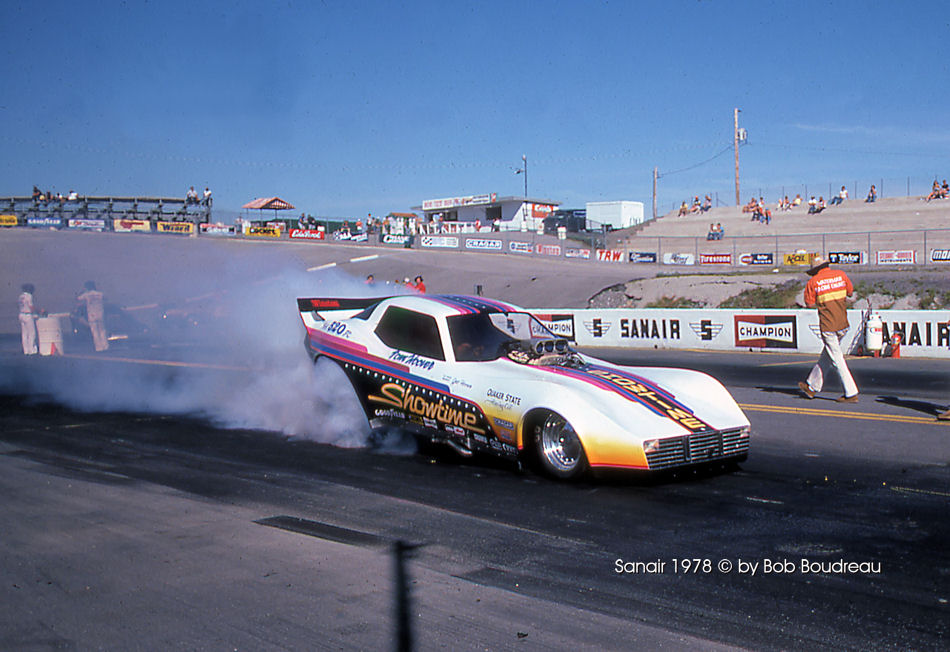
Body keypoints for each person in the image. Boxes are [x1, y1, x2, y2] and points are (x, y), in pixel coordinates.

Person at [798, 256, 859, 403]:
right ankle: (811, 386)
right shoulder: (841, 275)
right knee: (828, 355)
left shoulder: (813, 282)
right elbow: (850, 292)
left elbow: (809, 303)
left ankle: (851, 393)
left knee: (837, 359)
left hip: (828, 326)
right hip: (843, 324)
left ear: (814, 270)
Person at [77, 281, 109, 352]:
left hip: (92, 315)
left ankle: (99, 348)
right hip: (100, 314)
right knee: (102, 330)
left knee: (95, 332)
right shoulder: (99, 294)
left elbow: (78, 298)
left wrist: (81, 291)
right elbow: (106, 298)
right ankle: (105, 346)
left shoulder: (86, 295)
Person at [18, 283, 39, 355]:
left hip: (21, 314)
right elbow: (31, 307)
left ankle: (25, 350)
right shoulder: (29, 296)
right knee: (31, 333)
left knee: (24, 334)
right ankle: (31, 350)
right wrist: (39, 311)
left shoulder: (21, 296)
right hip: (27, 315)